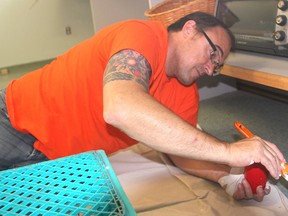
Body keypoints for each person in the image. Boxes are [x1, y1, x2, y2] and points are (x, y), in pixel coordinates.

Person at [0, 12, 285, 202]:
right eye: (213, 54)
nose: (211, 68)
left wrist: (227, 178)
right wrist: (227, 150)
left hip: (59, 164)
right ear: (189, 29)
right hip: (13, 121)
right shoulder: (143, 35)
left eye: (217, 66)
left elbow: (182, 153)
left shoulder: (185, 93)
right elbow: (120, 106)